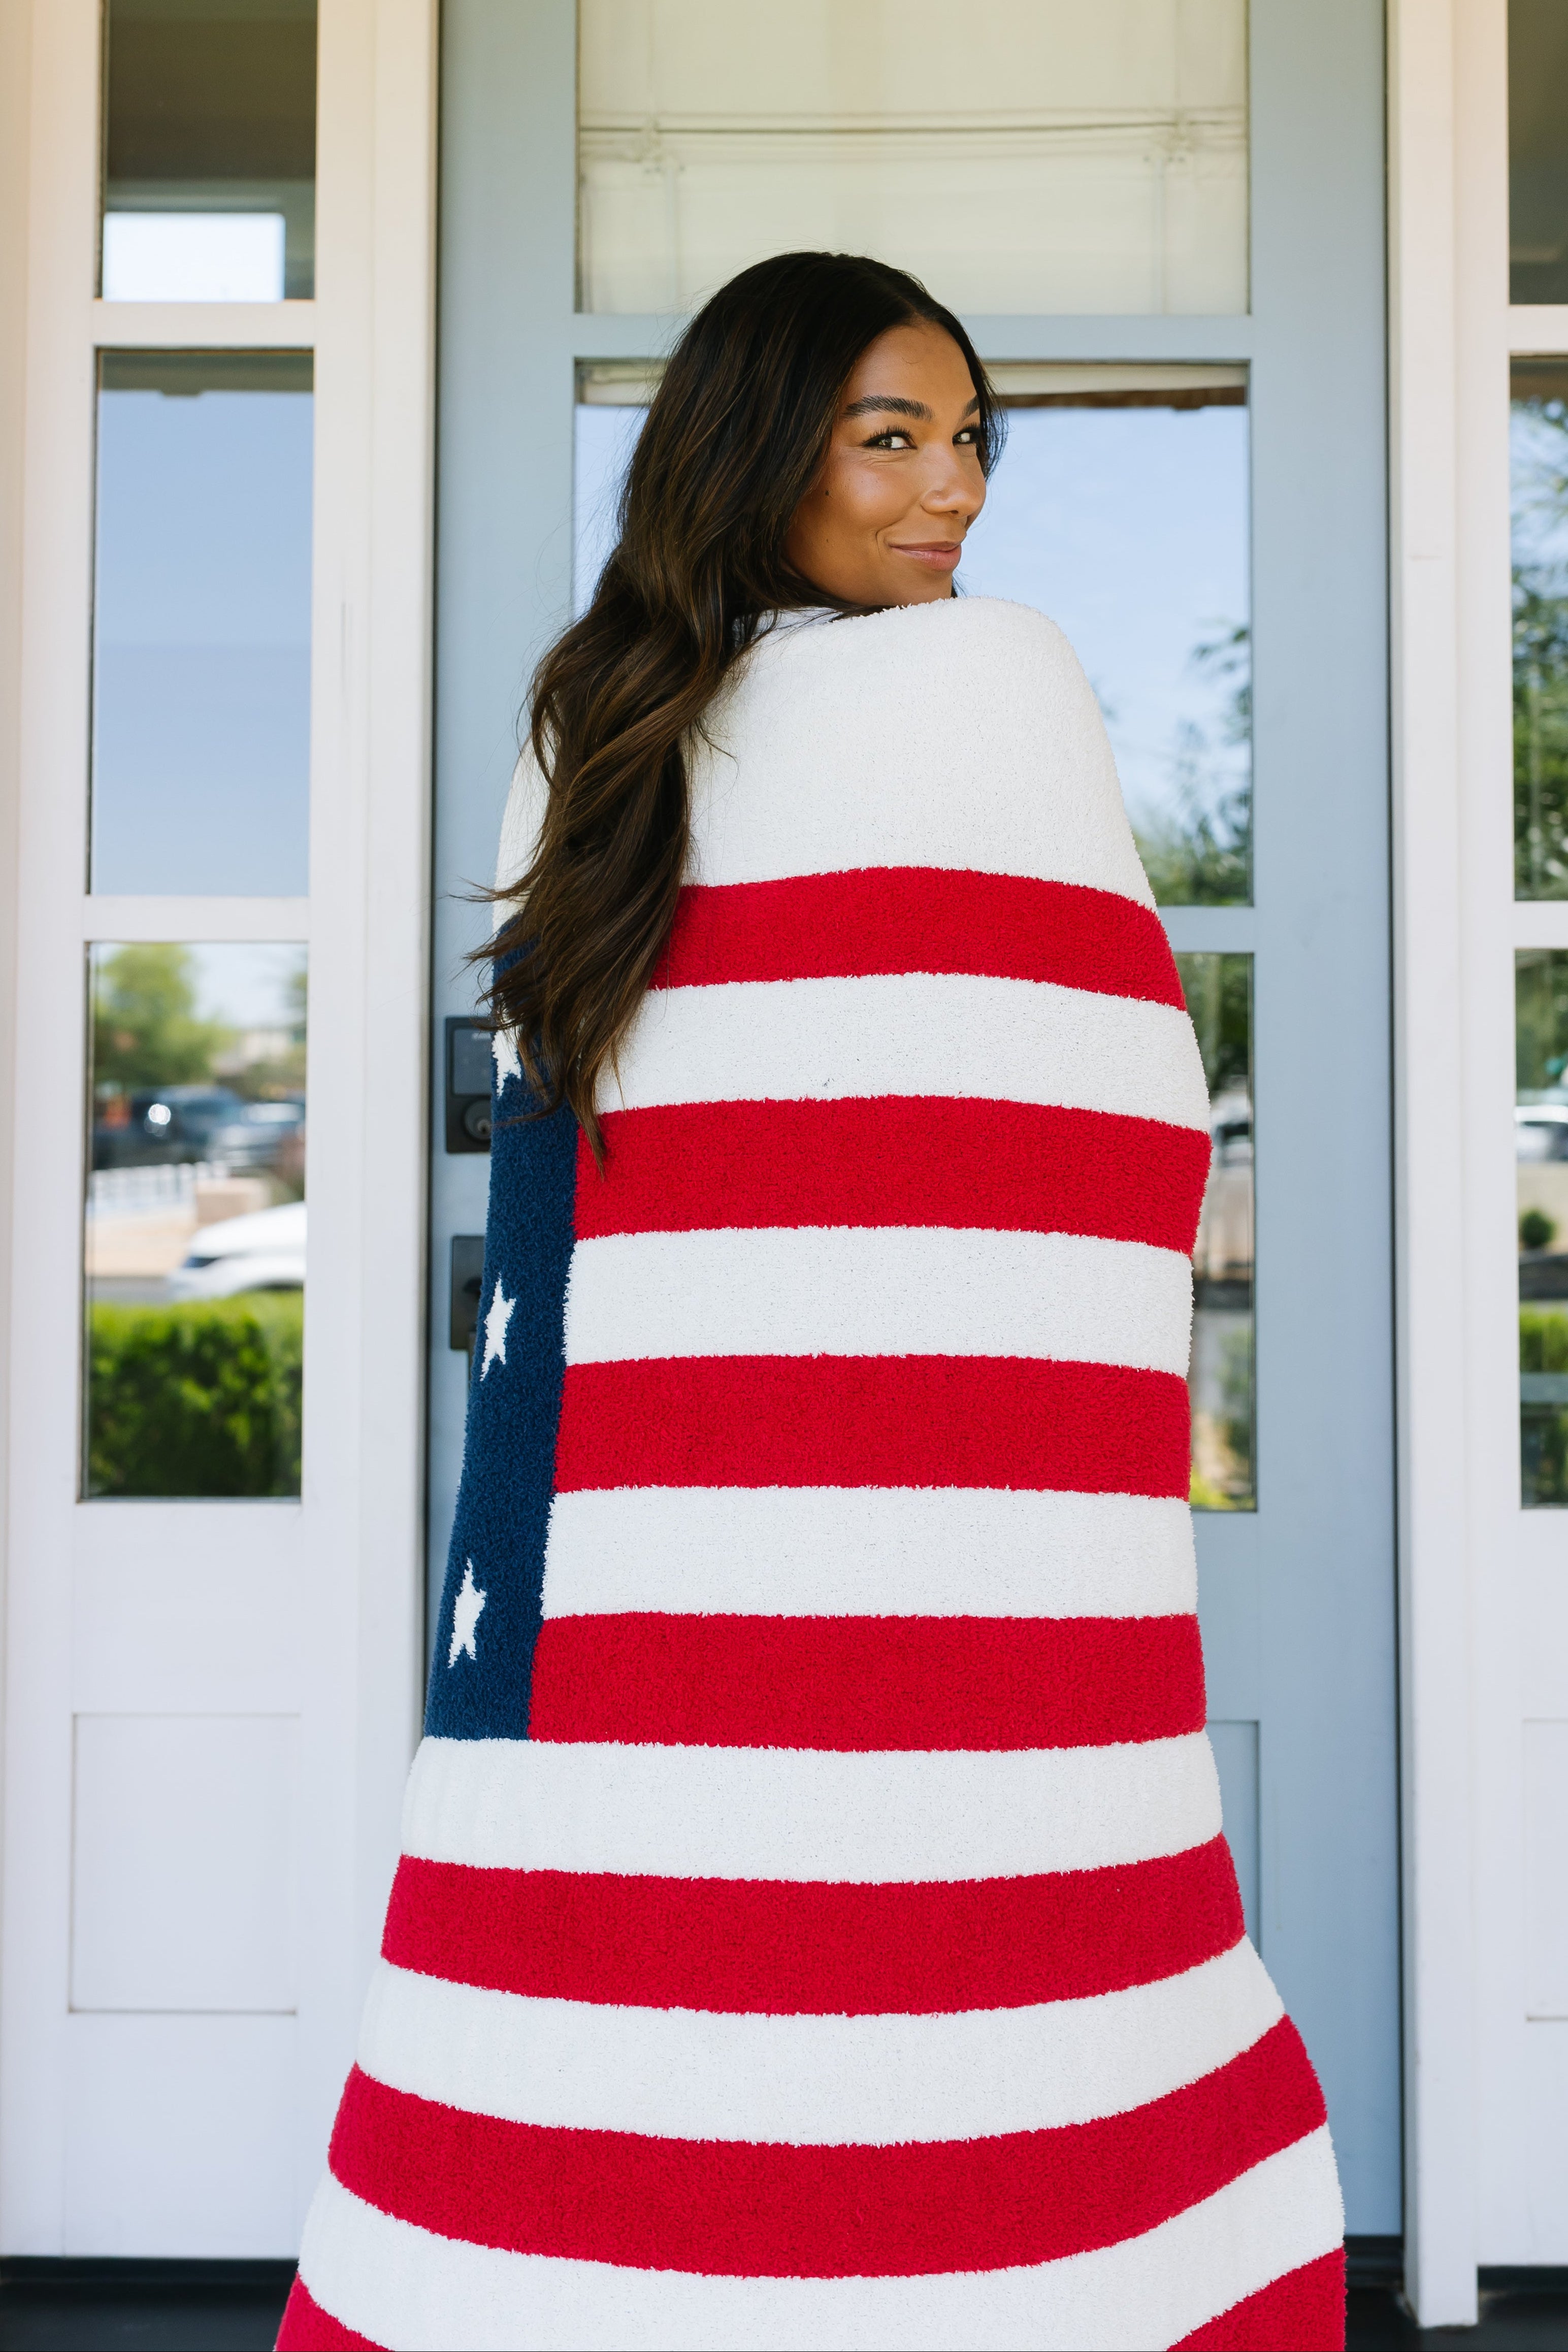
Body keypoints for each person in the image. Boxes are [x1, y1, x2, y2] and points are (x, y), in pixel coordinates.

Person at [279, 251, 1345, 2352]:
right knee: (625, 2059)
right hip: (630, 1559)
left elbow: (1090, 1114)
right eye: (889, 438)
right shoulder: (592, 739)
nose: (948, 490)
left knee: (974, 2036)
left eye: (968, 442)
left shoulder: (991, 694)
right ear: (754, 453)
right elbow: (578, 1186)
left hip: (945, 1559)